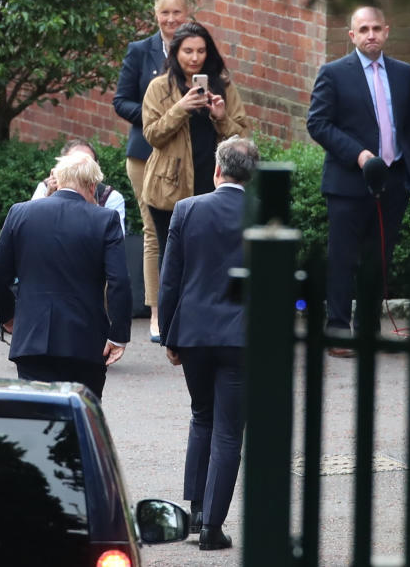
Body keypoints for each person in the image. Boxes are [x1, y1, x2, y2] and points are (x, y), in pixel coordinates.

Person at [158, 135, 260, 551]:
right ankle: (212, 528)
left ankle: (197, 512)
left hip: (195, 332)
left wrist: (168, 334)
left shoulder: (187, 209)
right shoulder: (262, 214)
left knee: (202, 417)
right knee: (229, 432)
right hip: (241, 336)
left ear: (217, 169)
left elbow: (170, 279)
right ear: (251, 177)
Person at [306, 6, 410, 357]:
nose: (371, 35)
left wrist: (407, 172)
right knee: (343, 258)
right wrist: (359, 155)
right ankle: (339, 330)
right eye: (363, 29)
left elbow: (409, 126)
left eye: (376, 29)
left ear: (386, 32)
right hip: (348, 183)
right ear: (352, 35)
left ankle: (369, 331)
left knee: (378, 260)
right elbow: (318, 124)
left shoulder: (402, 73)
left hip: (392, 183)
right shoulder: (334, 73)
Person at [0, 151, 132, 400]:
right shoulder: (105, 219)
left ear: (59, 179)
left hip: (31, 338)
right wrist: (118, 335)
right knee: (82, 418)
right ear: (92, 185)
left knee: (37, 419)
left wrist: (8, 316)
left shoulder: (20, 213)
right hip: (85, 341)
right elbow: (119, 281)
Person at [113, 0, 190, 342]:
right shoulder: (139, 51)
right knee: (154, 232)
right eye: (165, 13)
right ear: (154, 13)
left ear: (187, 13)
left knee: (189, 231)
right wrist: (157, 115)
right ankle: (158, 312)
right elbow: (120, 101)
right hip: (146, 155)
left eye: (177, 12)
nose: (171, 20)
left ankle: (186, 309)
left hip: (191, 157)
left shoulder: (197, 49)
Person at [141, 21, 249, 269]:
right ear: (175, 53)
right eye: (188, 51)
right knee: (172, 257)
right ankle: (168, 308)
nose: (195, 58)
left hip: (212, 180)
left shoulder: (223, 86)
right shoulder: (159, 87)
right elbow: (153, 135)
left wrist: (222, 117)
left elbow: (243, 139)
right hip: (169, 187)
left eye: (201, 51)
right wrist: (180, 109)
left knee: (210, 255)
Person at [31, 138, 126, 235]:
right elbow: (31, 227)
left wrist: (93, 206)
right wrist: (48, 199)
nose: (80, 171)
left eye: (87, 165)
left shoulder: (110, 196)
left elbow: (115, 237)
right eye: (73, 164)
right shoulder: (45, 187)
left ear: (97, 167)